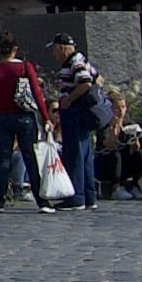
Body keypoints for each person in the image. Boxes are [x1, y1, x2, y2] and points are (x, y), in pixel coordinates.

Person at [0, 38, 46, 211]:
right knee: (29, 157)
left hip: (2, 117)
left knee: (3, 158)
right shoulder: (24, 67)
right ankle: (41, 200)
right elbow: (37, 93)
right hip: (24, 117)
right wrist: (46, 118)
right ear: (15, 49)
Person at [47, 40, 107, 214]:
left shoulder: (75, 63)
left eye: (55, 50)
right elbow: (98, 79)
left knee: (75, 155)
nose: (54, 54)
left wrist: (70, 99)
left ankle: (76, 197)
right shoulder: (82, 60)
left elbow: (85, 83)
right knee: (85, 155)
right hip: (79, 114)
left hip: (75, 113)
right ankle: (89, 196)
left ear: (62, 48)